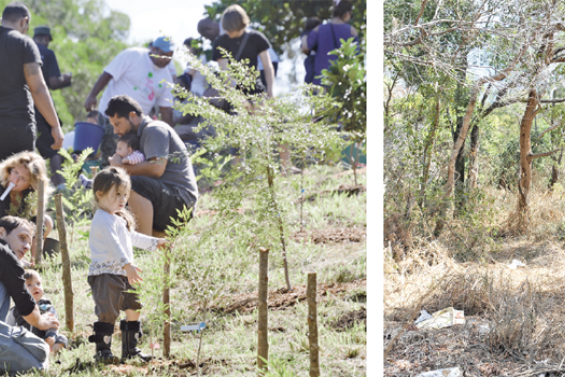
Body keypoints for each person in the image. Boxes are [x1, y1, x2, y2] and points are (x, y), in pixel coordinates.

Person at [87, 167, 167, 363]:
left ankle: (131, 349)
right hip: (106, 273)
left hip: (124, 272)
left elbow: (132, 238)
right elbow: (114, 245)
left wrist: (155, 243)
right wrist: (127, 265)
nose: (122, 199)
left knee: (134, 307)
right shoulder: (102, 219)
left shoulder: (118, 217)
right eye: (117, 194)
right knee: (108, 311)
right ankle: (103, 350)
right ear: (100, 194)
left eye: (125, 194)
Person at [105, 95, 198, 237]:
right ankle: (148, 242)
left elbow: (156, 169)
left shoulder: (154, 130)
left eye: (117, 124)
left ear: (132, 116)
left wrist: (120, 168)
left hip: (180, 202)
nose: (115, 131)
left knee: (131, 183)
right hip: (165, 198)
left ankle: (143, 246)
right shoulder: (138, 137)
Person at [84, 36, 175, 167]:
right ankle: (106, 184)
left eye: (170, 55)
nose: (167, 59)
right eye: (164, 54)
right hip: (113, 116)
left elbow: (166, 109)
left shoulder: (166, 77)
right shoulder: (134, 55)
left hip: (136, 124)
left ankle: (123, 186)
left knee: (132, 159)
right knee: (112, 155)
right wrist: (92, 95)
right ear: (154, 49)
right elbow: (108, 74)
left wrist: (169, 137)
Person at [0, 3, 64, 162]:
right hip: (15, 125)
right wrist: (55, 126)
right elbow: (37, 88)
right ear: (24, 21)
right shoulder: (24, 43)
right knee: (20, 181)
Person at [32, 26, 71, 190]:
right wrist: (67, 79)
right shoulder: (47, 53)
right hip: (40, 106)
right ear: (47, 38)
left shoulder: (22, 48)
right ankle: (60, 187)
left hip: (18, 106)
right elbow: (53, 82)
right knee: (54, 147)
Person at [0, 151, 55, 264]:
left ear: (31, 184)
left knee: (46, 221)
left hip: (14, 233)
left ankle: (34, 260)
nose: (15, 180)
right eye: (15, 172)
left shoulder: (29, 198)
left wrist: (34, 261)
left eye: (23, 179)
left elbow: (37, 223)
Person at [197, 17, 280, 90]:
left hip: (263, 65)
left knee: (257, 101)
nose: (207, 39)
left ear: (209, 28)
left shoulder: (229, 29)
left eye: (205, 36)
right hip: (256, 68)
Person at [7, 270, 68, 354]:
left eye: (38, 283)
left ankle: (48, 353)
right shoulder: (16, 310)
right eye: (29, 285)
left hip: (42, 341)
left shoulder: (47, 307)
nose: (36, 287)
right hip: (22, 342)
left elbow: (53, 324)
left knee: (62, 339)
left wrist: (51, 336)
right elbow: (8, 328)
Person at [307, 0, 359, 87]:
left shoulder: (318, 30)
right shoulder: (352, 31)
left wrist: (304, 35)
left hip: (320, 81)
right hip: (342, 82)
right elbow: (356, 57)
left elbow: (306, 48)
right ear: (346, 14)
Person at [79, 133, 145, 189]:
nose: (116, 151)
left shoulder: (136, 154)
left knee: (109, 179)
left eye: (119, 149)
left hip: (132, 182)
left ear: (129, 150)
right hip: (124, 179)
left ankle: (92, 183)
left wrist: (125, 160)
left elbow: (139, 158)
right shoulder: (124, 156)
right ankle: (91, 183)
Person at [300, 17, 322, 84]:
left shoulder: (306, 33)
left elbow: (305, 48)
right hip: (321, 58)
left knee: (310, 80)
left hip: (311, 58)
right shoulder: (321, 33)